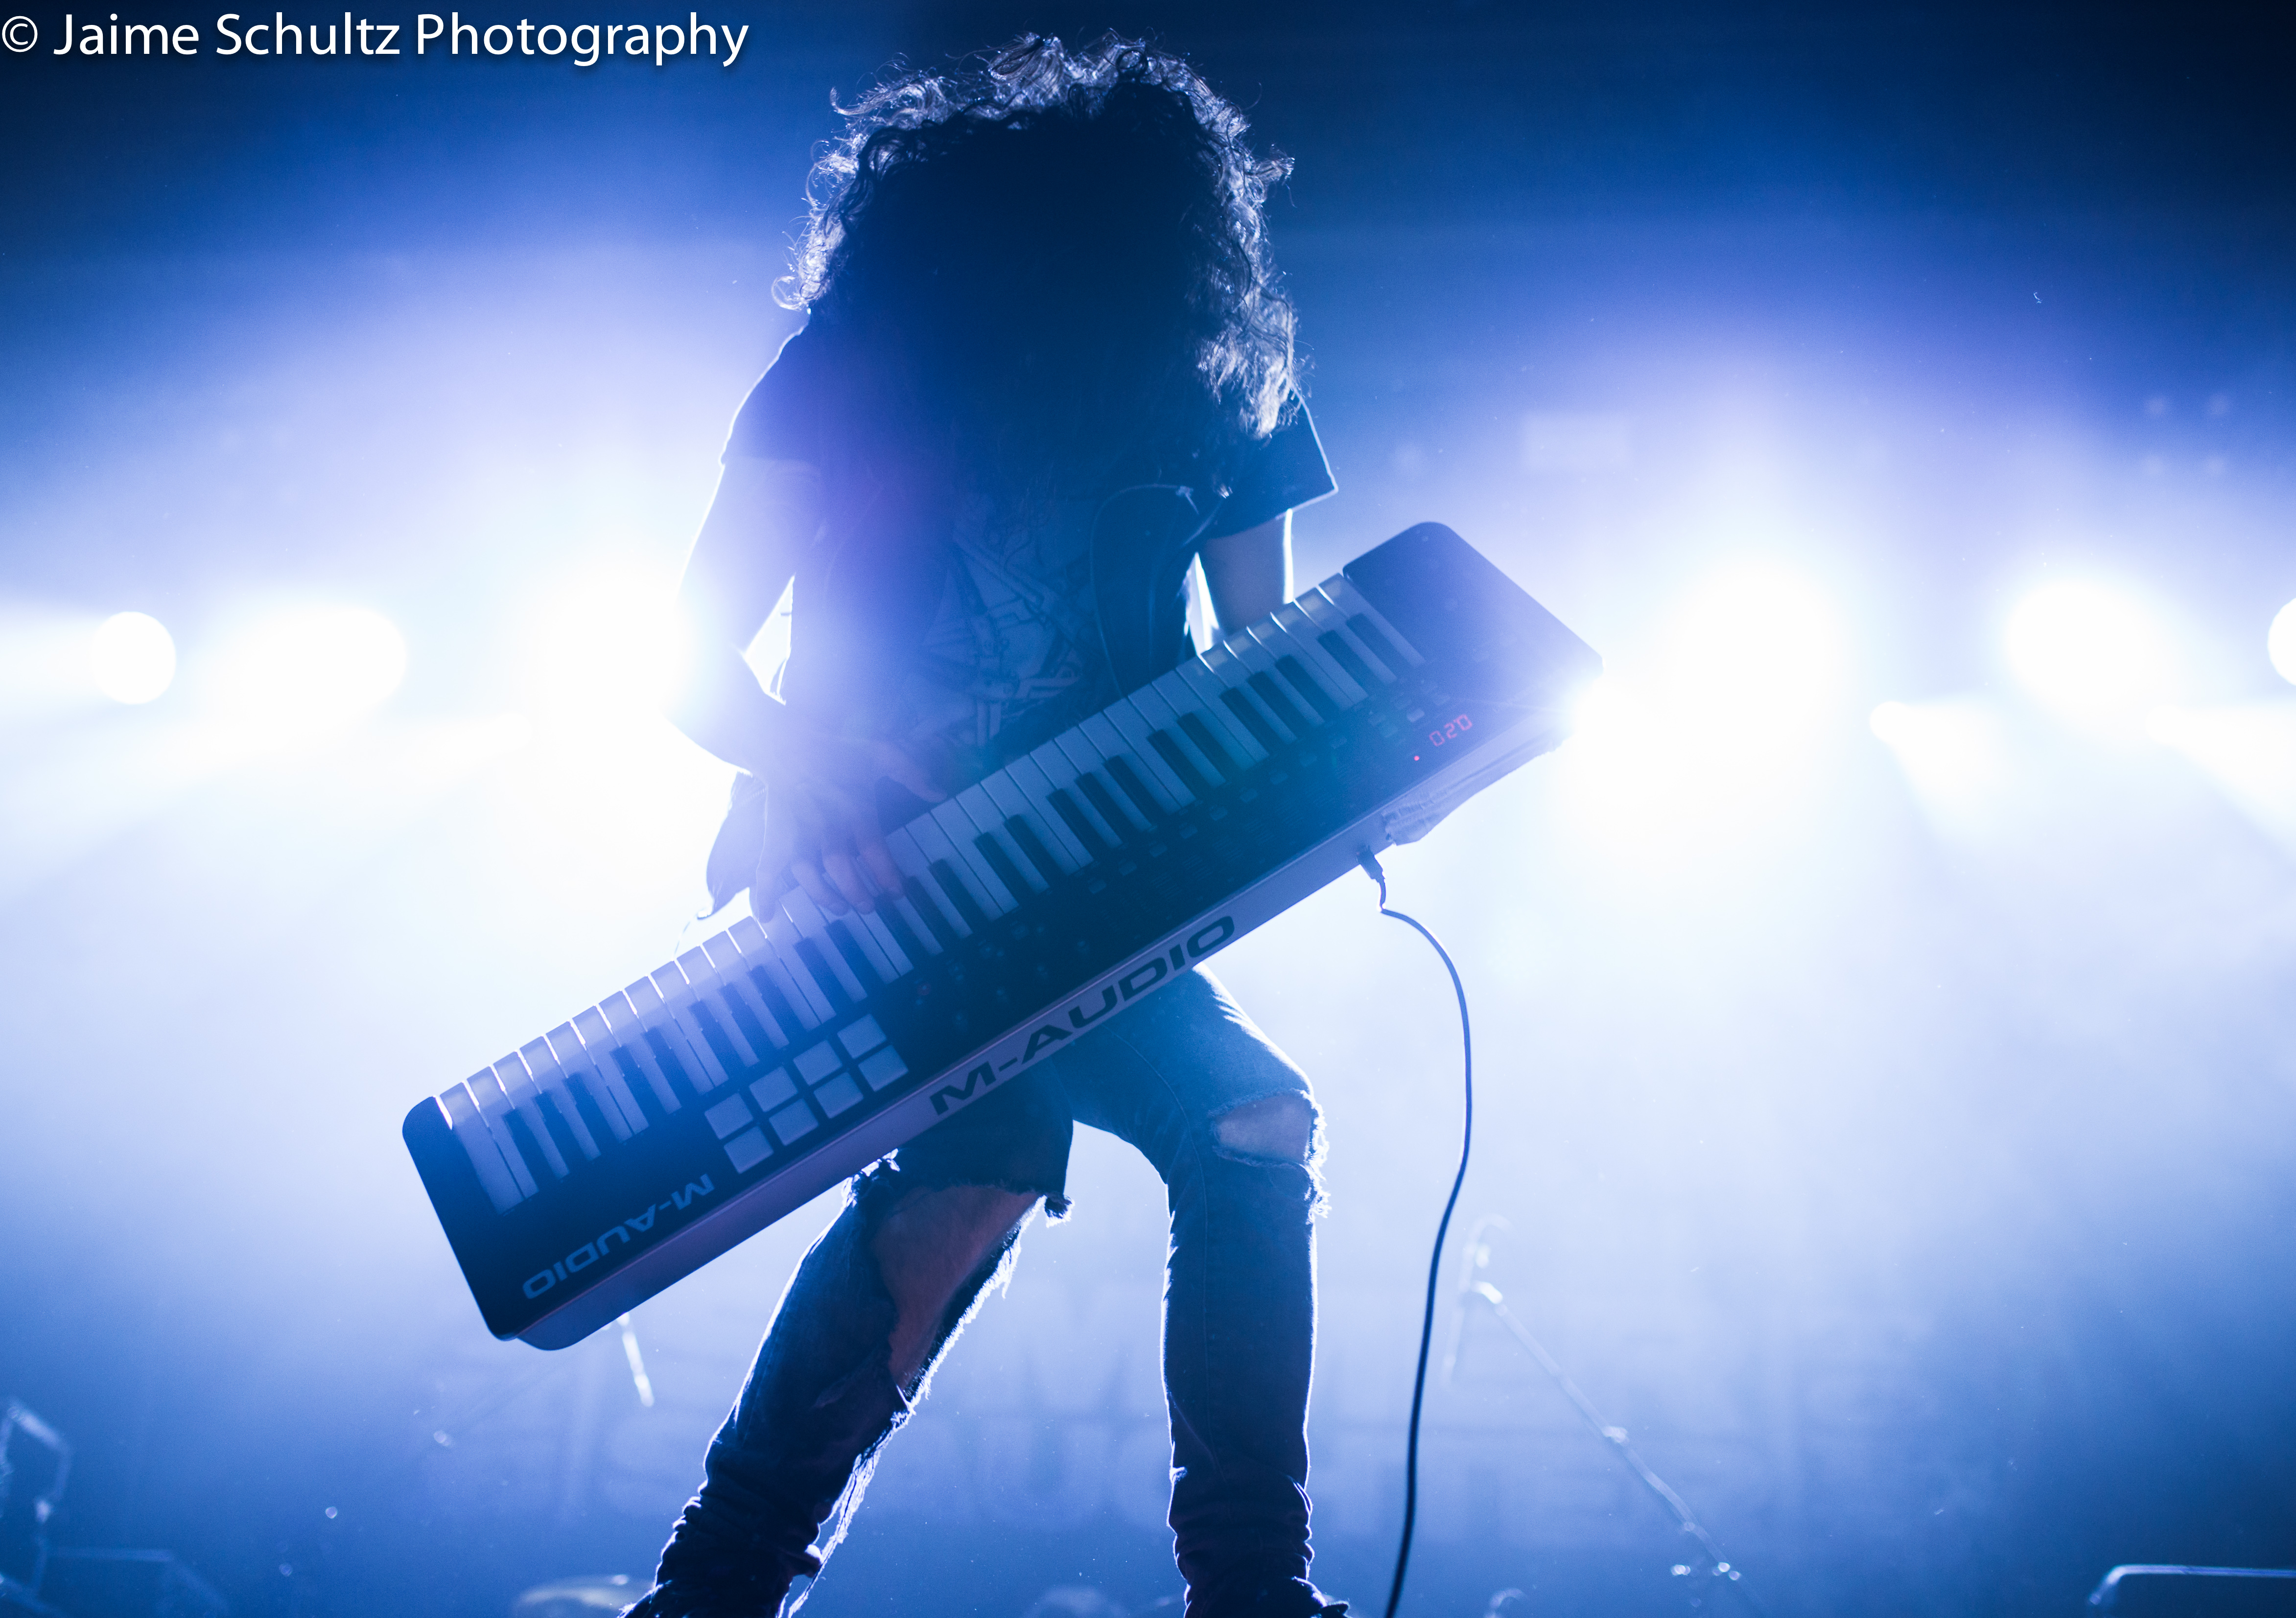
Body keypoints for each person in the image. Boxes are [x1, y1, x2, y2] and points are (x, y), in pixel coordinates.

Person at [626, 35, 1344, 1618]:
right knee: (1026, 1153)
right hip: (881, 877)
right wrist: (809, 763)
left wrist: (1358, 767)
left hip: (1104, 876)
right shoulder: (844, 370)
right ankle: (717, 1584)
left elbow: (1265, 676)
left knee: (1201, 1132)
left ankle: (1244, 1587)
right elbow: (687, 657)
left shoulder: (1217, 385)